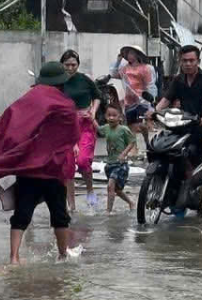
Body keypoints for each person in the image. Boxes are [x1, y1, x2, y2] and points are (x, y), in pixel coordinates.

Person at [0, 62, 79, 263]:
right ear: (61, 83)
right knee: (59, 215)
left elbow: (11, 125)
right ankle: (63, 255)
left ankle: (14, 257)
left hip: (29, 169)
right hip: (53, 170)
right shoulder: (67, 105)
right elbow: (71, 136)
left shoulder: (31, 98)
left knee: (22, 212)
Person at [151, 45, 202, 211]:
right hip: (182, 124)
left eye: (191, 60)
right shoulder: (178, 80)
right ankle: (179, 180)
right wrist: (154, 113)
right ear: (180, 61)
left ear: (198, 61)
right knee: (163, 146)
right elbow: (166, 100)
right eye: (185, 61)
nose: (188, 64)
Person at [59, 50, 101, 212]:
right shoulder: (58, 82)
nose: (70, 68)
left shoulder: (84, 79)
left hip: (85, 125)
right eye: (67, 64)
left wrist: (93, 111)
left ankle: (90, 189)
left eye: (73, 64)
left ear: (78, 65)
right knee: (68, 166)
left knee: (83, 161)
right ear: (62, 65)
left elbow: (97, 96)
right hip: (65, 127)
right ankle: (72, 206)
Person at [99, 105, 137, 213]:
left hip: (120, 164)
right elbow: (97, 129)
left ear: (120, 117)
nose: (111, 118)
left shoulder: (123, 129)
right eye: (109, 115)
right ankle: (130, 202)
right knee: (116, 190)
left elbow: (132, 141)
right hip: (109, 164)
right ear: (106, 116)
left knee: (110, 186)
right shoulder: (106, 128)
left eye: (114, 115)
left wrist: (124, 153)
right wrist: (91, 118)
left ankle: (108, 211)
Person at [109, 45, 155, 136]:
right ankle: (134, 148)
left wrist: (151, 103)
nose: (129, 56)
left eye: (131, 53)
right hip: (129, 102)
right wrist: (118, 61)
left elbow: (150, 86)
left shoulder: (145, 68)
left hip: (142, 101)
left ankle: (146, 143)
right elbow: (113, 74)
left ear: (137, 55)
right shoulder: (125, 68)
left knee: (141, 126)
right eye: (128, 54)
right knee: (131, 127)